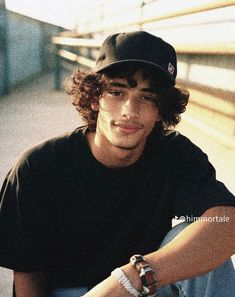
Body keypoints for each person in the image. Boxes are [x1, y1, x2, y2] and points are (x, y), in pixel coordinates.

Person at [0, 31, 235, 297]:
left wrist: (131, 277)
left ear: (161, 110)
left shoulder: (175, 155)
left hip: (145, 285)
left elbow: (227, 220)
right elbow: (27, 274)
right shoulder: (37, 167)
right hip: (73, 291)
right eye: (116, 92)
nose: (129, 111)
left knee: (199, 234)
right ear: (94, 97)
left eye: (147, 97)